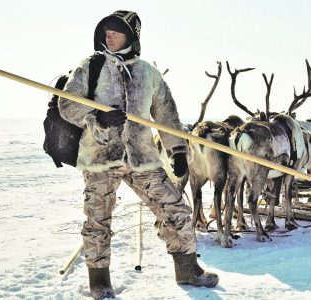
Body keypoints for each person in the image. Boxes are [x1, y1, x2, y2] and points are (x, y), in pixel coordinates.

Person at [59, 10, 218, 299]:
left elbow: (167, 115)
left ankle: (187, 269)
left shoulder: (148, 72)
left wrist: (178, 150)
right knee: (97, 221)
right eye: (105, 30)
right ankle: (99, 283)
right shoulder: (90, 67)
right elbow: (66, 106)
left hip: (141, 158)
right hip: (100, 158)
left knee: (176, 208)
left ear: (131, 36)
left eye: (115, 30)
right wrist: (97, 116)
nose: (108, 35)